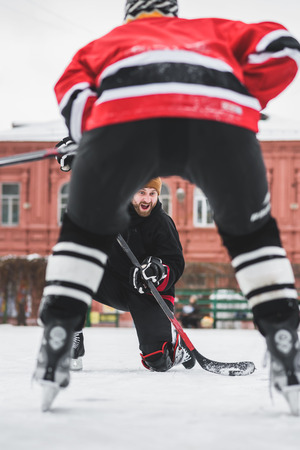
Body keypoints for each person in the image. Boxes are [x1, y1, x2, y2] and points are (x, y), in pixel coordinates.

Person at [34, 0, 300, 413]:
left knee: (81, 238)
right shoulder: (214, 32)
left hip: (126, 123)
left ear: (131, 14)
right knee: (255, 240)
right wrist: (244, 102)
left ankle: (56, 336)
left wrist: (89, 139)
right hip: (218, 123)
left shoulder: (107, 44)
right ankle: (284, 339)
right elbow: (282, 47)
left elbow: (69, 91)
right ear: (173, 12)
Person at [53, 166, 193, 372]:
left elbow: (175, 262)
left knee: (157, 361)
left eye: (152, 193)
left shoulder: (162, 223)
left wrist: (157, 270)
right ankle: (73, 339)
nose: (147, 199)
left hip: (149, 293)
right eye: (141, 192)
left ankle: (176, 350)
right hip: (114, 284)